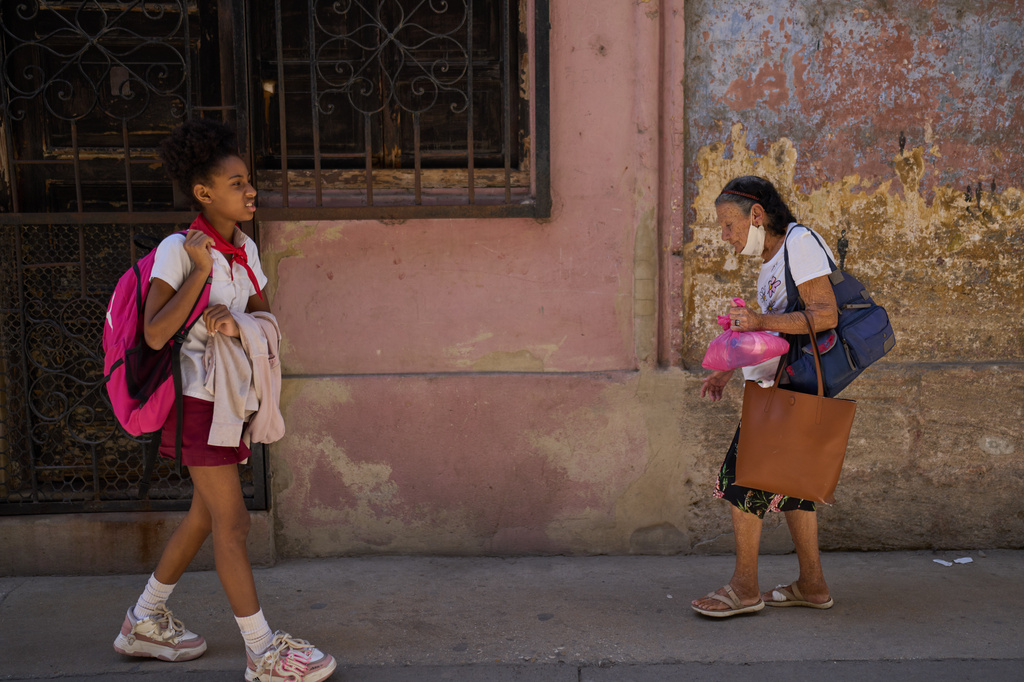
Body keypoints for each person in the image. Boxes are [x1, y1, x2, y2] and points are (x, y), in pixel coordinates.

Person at [112, 118, 337, 681]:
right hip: (195, 404)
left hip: (230, 401)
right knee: (233, 524)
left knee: (205, 516)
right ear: (203, 193)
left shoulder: (248, 250)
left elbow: (265, 320)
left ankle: (143, 619)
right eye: (236, 183)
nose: (250, 190)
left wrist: (238, 326)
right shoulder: (177, 250)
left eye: (248, 181)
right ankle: (263, 652)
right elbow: (157, 333)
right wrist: (201, 272)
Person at [691, 175, 839, 618]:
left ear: (757, 215)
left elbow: (824, 315)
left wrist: (756, 320)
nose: (726, 237)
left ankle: (744, 588)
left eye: (729, 225)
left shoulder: (800, 243)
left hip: (792, 390)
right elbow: (773, 335)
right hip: (780, 387)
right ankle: (812, 585)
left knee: (742, 480)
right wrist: (728, 370)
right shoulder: (771, 262)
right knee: (793, 489)